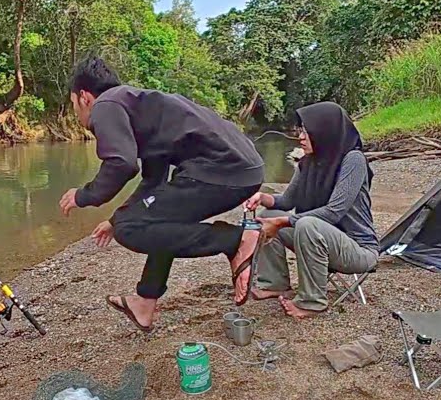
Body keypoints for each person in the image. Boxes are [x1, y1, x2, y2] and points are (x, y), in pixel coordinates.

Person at [59, 58, 265, 332]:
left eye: (74, 106)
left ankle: (237, 239)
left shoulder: (106, 104)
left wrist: (84, 195)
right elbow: (153, 185)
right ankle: (145, 303)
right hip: (242, 170)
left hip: (220, 170)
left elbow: (122, 163)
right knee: (153, 219)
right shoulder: (140, 108)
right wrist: (114, 217)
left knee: (130, 229)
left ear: (84, 97)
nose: (77, 115)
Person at [245, 102, 377, 319]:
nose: (301, 137)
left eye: (307, 131)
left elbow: (334, 211)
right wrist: (261, 197)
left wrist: (282, 222)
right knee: (267, 216)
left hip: (358, 249)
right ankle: (274, 282)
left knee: (305, 224)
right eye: (301, 131)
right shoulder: (308, 162)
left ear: (325, 131)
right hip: (318, 238)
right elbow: (287, 200)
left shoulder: (354, 160)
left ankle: (312, 301)